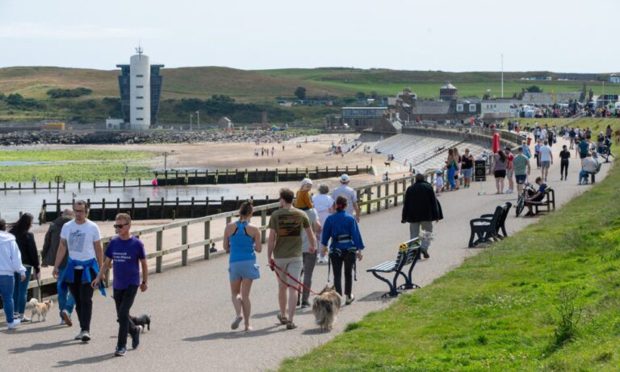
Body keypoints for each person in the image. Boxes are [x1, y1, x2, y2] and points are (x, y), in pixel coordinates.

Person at [92, 213, 148, 356]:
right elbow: (106, 263)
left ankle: (120, 346)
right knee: (121, 316)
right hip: (118, 284)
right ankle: (134, 330)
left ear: (129, 226)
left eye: (120, 226)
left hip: (132, 283)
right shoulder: (114, 243)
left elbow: (144, 264)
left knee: (123, 314)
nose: (117, 228)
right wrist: (99, 277)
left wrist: (144, 282)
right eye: (116, 225)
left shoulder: (137, 244)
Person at [53, 200, 103, 342]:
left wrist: (101, 270)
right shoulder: (67, 227)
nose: (78, 214)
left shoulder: (93, 227)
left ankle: (86, 330)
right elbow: (62, 246)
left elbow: (98, 248)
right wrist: (56, 266)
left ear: (87, 211)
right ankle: (82, 328)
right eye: (76, 211)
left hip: (88, 268)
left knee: (86, 299)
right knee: (78, 300)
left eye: (81, 211)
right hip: (72, 268)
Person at [267, 188, 316, 330]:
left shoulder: (276, 215)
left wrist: (269, 255)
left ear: (282, 199)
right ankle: (291, 319)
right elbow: (310, 233)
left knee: (282, 287)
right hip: (296, 255)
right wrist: (312, 246)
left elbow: (271, 239)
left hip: (280, 256)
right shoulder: (301, 214)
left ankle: (283, 314)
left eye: (279, 199)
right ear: (292, 199)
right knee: (294, 288)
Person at [223, 202, 262, 331]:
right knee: (246, 295)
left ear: (239, 212)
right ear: (251, 213)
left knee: (235, 293)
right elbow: (259, 248)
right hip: (248, 262)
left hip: (234, 262)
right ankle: (247, 324)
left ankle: (238, 314)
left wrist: (233, 247)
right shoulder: (254, 229)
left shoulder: (229, 227)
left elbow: (225, 247)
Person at [321, 196, 364, 305]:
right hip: (349, 248)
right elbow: (356, 235)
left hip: (335, 249)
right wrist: (359, 250)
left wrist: (324, 247)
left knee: (337, 275)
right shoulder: (350, 218)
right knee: (348, 273)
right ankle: (348, 296)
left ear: (335, 206)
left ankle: (338, 298)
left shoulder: (330, 219)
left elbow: (325, 235)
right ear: (346, 206)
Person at [41, 208, 75, 326]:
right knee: (75, 288)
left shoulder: (54, 224)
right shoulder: (76, 224)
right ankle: (68, 310)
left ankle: (62, 315)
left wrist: (44, 258)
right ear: (73, 214)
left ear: (62, 214)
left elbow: (47, 242)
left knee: (62, 289)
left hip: (59, 261)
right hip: (75, 261)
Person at [401, 173, 443, 259]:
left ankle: (415, 252)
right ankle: (424, 247)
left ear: (415, 180)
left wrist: (404, 217)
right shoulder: (428, 187)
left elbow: (406, 204)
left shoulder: (410, 189)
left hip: (413, 216)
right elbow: (434, 202)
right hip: (426, 215)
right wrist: (437, 215)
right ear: (424, 179)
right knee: (428, 232)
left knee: (414, 235)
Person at [9, 213, 40, 322]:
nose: (31, 225)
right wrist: (37, 267)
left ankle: (14, 313)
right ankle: (21, 315)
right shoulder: (28, 235)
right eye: (31, 223)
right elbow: (33, 253)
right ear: (28, 223)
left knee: (14, 290)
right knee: (23, 291)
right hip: (25, 266)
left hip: (12, 266)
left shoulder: (11, 233)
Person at [0, 218, 27, 330]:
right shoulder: (10, 240)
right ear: (4, 227)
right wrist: (21, 270)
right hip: (6, 273)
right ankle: (10, 322)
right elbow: (16, 258)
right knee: (7, 298)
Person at [300, 207, 321, 308]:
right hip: (310, 246)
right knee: (308, 275)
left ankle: (295, 298)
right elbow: (318, 227)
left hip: (297, 247)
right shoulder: (312, 212)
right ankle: (305, 300)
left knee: (297, 274)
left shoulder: (294, 212)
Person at [312, 184, 334, 264]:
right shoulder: (329, 198)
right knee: (325, 238)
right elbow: (332, 210)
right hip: (326, 218)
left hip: (316, 217)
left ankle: (317, 254)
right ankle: (323, 256)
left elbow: (312, 206)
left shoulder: (314, 197)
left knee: (316, 236)